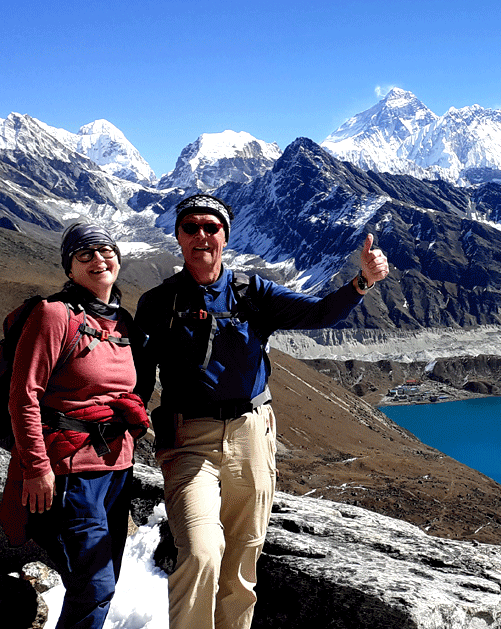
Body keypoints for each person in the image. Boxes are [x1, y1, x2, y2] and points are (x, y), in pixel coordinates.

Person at [134, 194, 389, 629]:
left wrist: (360, 283)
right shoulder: (159, 304)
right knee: (199, 551)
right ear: (177, 236)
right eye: (191, 227)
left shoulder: (254, 292)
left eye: (211, 228)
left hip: (251, 435)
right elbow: (137, 380)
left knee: (241, 562)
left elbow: (319, 313)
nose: (201, 236)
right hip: (188, 440)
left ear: (225, 236)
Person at [5, 223, 148, 629]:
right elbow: (23, 397)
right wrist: (36, 468)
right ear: (70, 269)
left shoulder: (122, 321)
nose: (98, 260)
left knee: (104, 579)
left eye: (105, 250)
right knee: (95, 584)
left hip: (117, 469)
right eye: (85, 254)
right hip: (70, 471)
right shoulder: (54, 315)